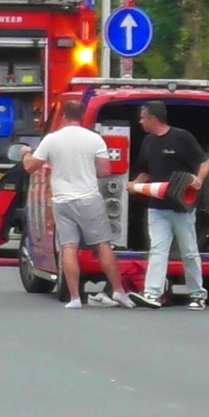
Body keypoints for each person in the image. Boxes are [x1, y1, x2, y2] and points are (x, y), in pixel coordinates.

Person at [21, 100, 134, 309]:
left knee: (68, 247)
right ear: (81, 116)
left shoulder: (52, 139)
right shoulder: (95, 139)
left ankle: (74, 298)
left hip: (62, 200)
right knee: (102, 245)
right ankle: (118, 291)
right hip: (89, 198)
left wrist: (25, 153)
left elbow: (30, 167)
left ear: (63, 115)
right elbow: (105, 171)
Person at [126, 101, 209, 310]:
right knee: (157, 250)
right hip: (157, 206)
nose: (140, 121)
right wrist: (136, 185)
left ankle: (197, 294)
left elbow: (204, 161)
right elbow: (145, 170)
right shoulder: (148, 142)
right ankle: (152, 293)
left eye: (143, 117)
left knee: (189, 250)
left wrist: (198, 180)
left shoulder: (182, 137)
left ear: (154, 119)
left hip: (181, 206)